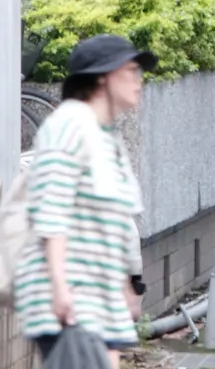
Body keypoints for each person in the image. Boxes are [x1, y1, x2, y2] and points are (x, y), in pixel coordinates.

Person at [16, 35, 155, 369]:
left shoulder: (106, 134)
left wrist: (127, 286)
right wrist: (61, 288)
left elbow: (113, 222)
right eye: (131, 70)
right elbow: (52, 210)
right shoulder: (69, 126)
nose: (139, 80)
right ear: (103, 77)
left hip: (99, 300)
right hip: (72, 298)